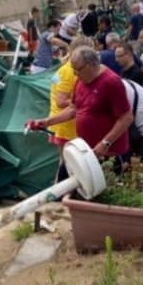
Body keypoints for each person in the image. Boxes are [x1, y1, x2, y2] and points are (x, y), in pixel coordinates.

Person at [30, 47, 133, 160]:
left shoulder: (111, 82)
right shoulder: (81, 80)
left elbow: (126, 118)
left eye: (77, 69)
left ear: (90, 65)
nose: (74, 73)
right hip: (86, 150)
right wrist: (47, 121)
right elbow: (73, 109)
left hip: (107, 152)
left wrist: (105, 143)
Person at [47, 36, 95, 179]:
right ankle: (61, 193)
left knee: (67, 163)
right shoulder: (68, 71)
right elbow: (61, 101)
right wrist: (86, 100)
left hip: (65, 124)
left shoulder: (65, 69)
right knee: (68, 165)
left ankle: (61, 192)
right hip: (66, 126)